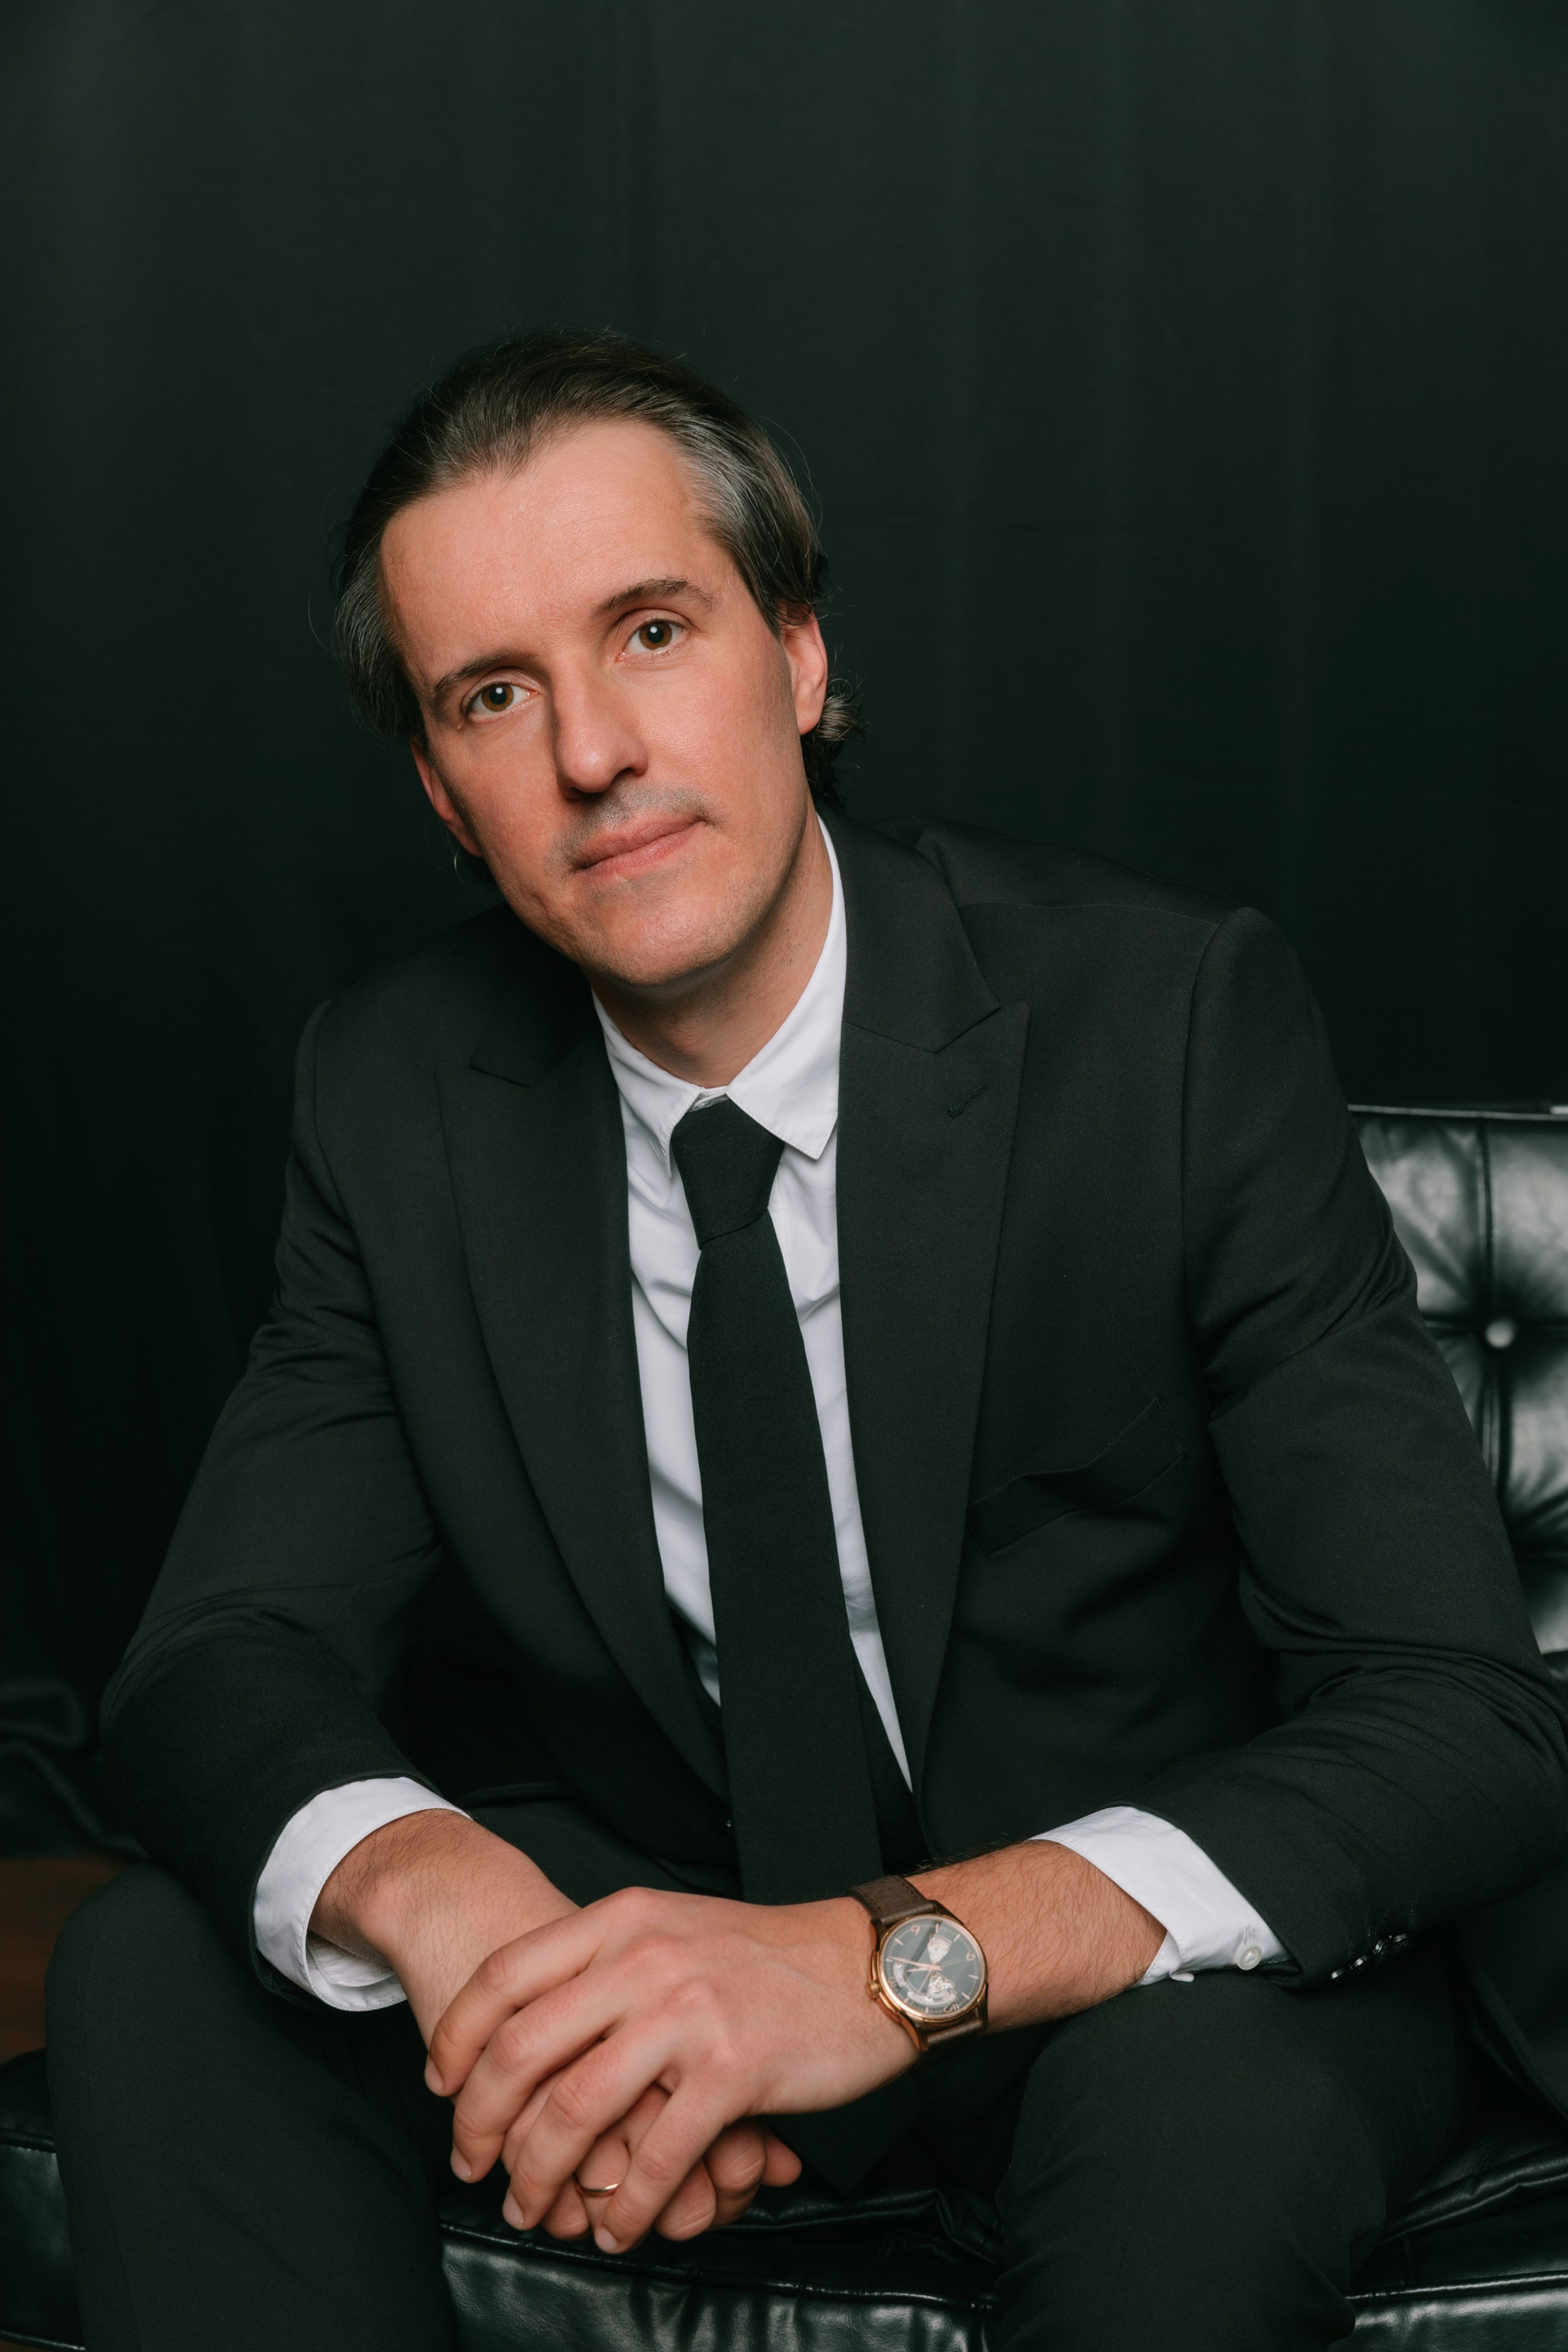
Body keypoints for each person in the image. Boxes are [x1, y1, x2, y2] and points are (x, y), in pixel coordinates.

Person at [47, 330, 1566, 2352]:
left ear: (798, 653)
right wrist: (456, 1910)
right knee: (157, 1969)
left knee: (1202, 2123)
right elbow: (214, 1659)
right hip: (646, 1920)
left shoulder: (1167, 1022)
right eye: (495, 694)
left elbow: (1457, 1715)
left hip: (1119, 1968)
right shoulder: (392, 1091)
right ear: (442, 794)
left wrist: (878, 1969)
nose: (592, 750)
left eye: (651, 631)